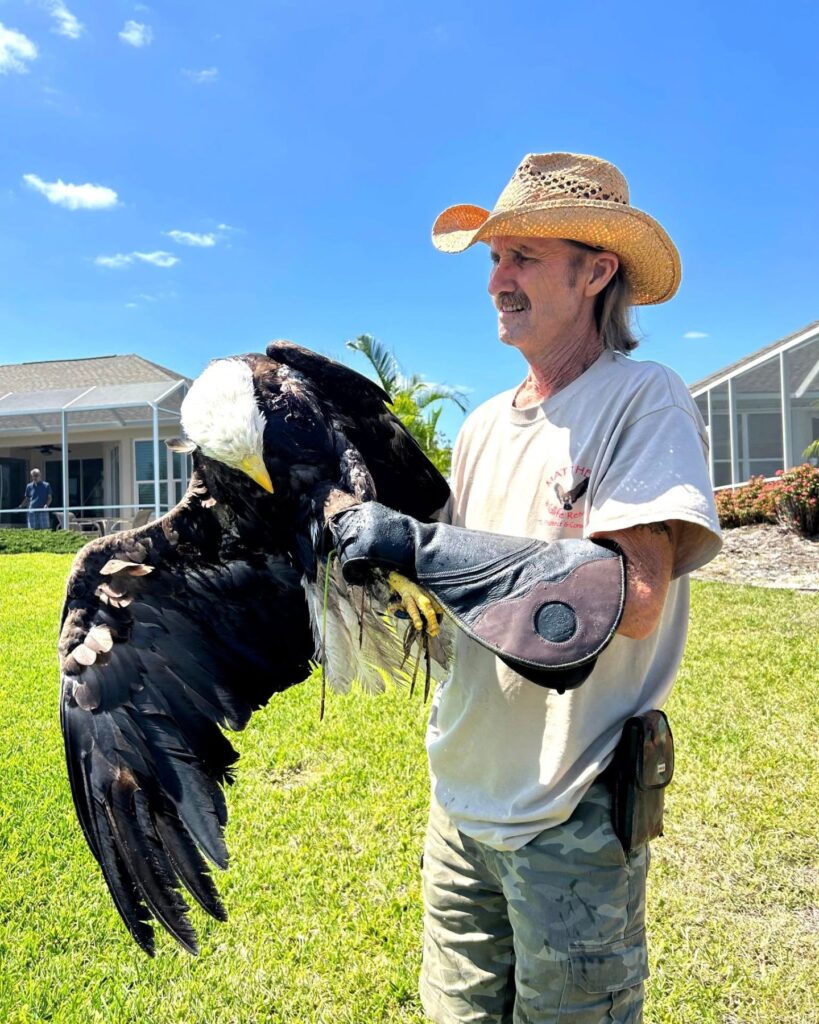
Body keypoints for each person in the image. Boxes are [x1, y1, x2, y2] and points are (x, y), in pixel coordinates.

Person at [333, 152, 722, 1023]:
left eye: (523, 258)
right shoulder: (480, 425)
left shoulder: (642, 399)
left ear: (596, 272)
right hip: (460, 797)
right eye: (492, 259)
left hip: (571, 804)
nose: (496, 282)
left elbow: (633, 602)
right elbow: (446, 601)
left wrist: (422, 546)